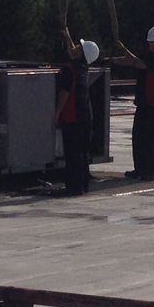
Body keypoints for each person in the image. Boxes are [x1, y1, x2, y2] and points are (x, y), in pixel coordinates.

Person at [115, 26, 154, 181]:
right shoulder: (149, 55)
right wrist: (111, 60)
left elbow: (138, 63)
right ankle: (140, 169)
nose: (153, 45)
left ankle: (153, 171)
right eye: (151, 43)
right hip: (145, 103)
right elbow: (131, 61)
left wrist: (123, 49)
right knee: (139, 137)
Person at [54, 29, 98, 196]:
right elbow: (73, 52)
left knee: (73, 154)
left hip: (72, 117)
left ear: (81, 54)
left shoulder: (69, 70)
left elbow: (65, 93)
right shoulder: (83, 68)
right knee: (83, 152)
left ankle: (74, 186)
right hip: (85, 116)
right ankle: (82, 185)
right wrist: (67, 36)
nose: (75, 48)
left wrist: (57, 112)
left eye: (78, 48)